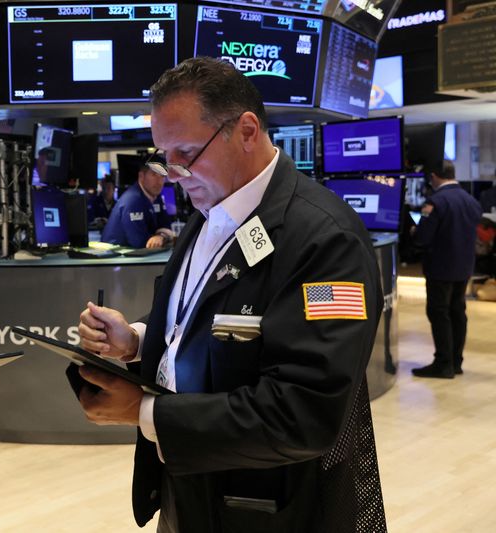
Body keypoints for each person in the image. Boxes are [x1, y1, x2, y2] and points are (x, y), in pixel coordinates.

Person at [76, 57, 386, 532]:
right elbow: (204, 314)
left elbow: (303, 413)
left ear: (246, 131)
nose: (174, 174)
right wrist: (136, 339)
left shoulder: (326, 241)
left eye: (186, 153)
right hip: (188, 487)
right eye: (165, 157)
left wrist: (144, 411)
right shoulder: (209, 213)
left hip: (269, 510)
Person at [411, 160, 482, 378]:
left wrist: (414, 231)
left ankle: (443, 363)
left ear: (433, 176)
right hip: (464, 267)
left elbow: (423, 238)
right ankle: (456, 361)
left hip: (440, 267)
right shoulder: (471, 200)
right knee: (457, 312)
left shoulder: (436, 201)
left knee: (439, 312)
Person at [100, 158, 175, 248]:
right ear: (141, 176)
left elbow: (166, 224)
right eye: (154, 175)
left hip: (135, 253)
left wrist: (161, 236)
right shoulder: (133, 201)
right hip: (115, 254)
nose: (159, 181)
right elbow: (140, 242)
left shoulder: (155, 197)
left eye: (162, 176)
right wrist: (162, 237)